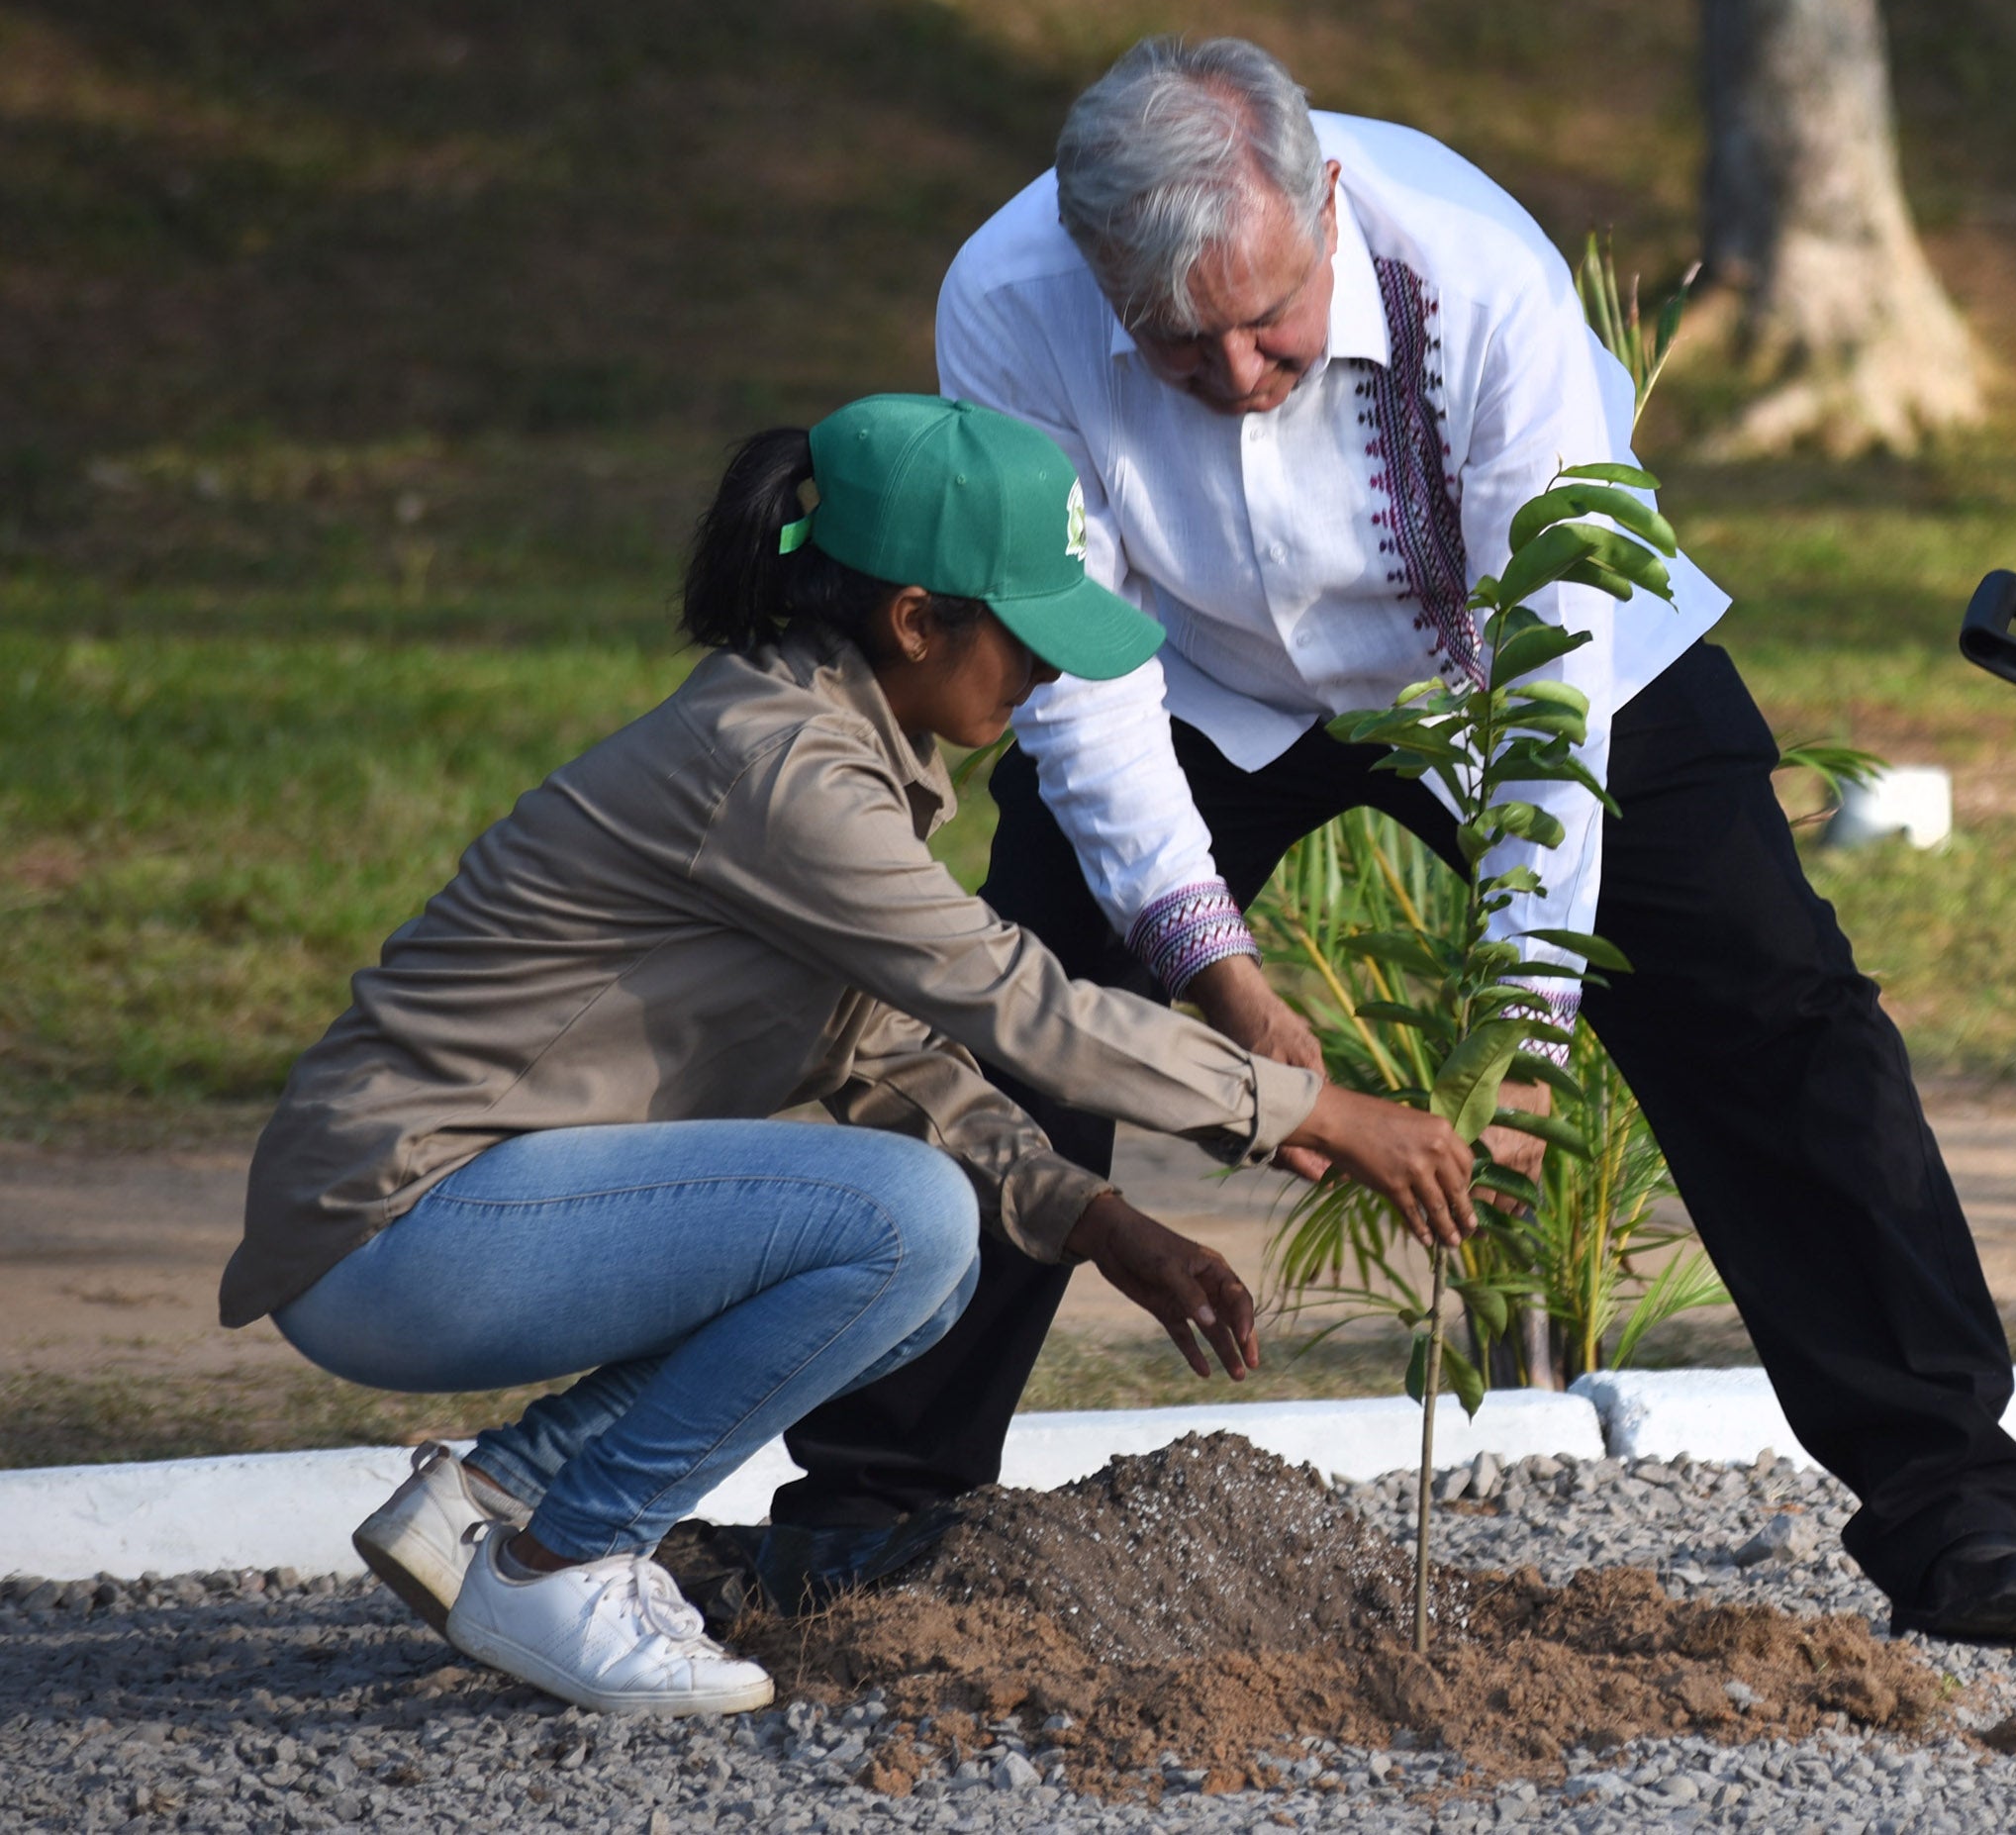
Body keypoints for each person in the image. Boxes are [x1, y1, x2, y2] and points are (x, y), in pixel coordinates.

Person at [766, 35, 2016, 1643]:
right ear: (1096, 271)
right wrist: (1224, 983)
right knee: (1023, 1016)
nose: (1243, 375)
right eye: (1182, 350)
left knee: (1770, 1009)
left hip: (1506, 656)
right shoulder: (1010, 294)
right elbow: (1082, 677)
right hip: (1180, 662)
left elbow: (1547, 692)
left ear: (1324, 201)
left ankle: (1950, 1503)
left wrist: (1523, 1033)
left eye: (1269, 324)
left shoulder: (1479, 274)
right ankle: (871, 1505)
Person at [220, 393, 1475, 1715]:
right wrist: (1312, 1110)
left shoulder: (819, 748)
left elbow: (893, 1052)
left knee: (926, 1269)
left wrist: (1095, 1218)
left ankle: (503, 1495)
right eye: (1026, 634)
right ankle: (557, 1562)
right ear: (917, 619)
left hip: (442, 1210)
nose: (1050, 669)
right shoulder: (783, 772)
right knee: (905, 1217)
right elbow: (1015, 1000)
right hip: (397, 1223)